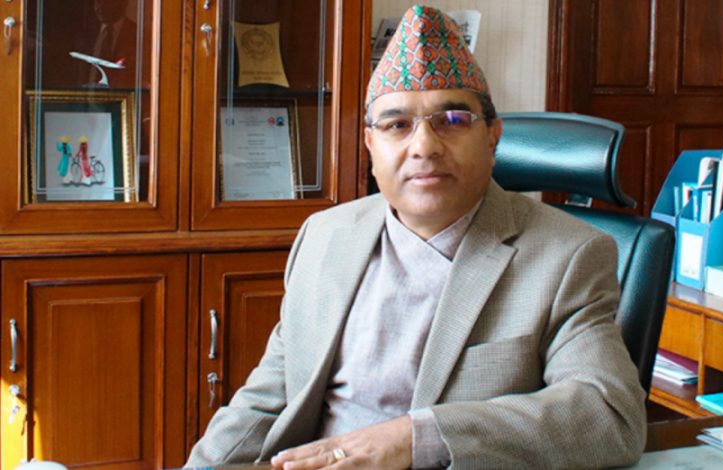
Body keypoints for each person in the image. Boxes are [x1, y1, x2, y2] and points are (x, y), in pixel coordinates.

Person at [187, 5, 645, 469]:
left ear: (493, 137)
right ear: (370, 144)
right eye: (397, 125)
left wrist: (414, 437)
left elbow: (609, 415)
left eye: (453, 120)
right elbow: (269, 397)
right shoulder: (325, 236)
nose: (424, 146)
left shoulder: (566, 255)